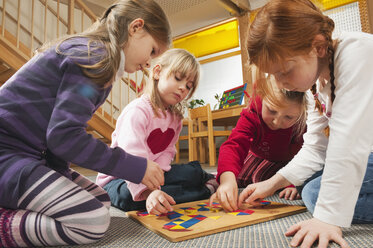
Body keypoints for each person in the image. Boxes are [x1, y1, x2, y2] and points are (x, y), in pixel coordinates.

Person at [0, 0, 171, 246]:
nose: (148, 63)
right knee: (92, 221)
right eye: (153, 51)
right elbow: (64, 137)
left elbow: (53, 136)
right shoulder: (94, 57)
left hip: (25, 155)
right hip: (8, 158)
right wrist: (135, 167)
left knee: (101, 200)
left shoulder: (92, 54)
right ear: (136, 28)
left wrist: (57, 175)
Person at [240, 0, 373, 247]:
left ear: (318, 47)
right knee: (312, 192)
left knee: (319, 197)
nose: (279, 84)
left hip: (363, 151)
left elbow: (348, 144)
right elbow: (316, 148)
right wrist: (270, 184)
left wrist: (328, 218)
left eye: (285, 71)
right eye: (273, 75)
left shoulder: (357, 53)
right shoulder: (315, 84)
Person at [96, 48, 216, 215]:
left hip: (152, 174)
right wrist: (149, 192)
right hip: (119, 177)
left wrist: (156, 181)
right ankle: (205, 192)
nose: (183, 88)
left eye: (188, 86)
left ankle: (206, 178)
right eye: (178, 78)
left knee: (190, 173)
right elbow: (131, 156)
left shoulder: (175, 118)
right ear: (157, 72)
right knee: (128, 198)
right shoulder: (137, 111)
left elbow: (167, 151)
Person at [211, 78, 306, 212]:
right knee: (234, 175)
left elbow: (306, 158)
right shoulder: (252, 112)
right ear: (261, 95)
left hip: (288, 162)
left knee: (259, 178)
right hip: (258, 155)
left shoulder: (304, 123)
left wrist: (293, 183)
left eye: (288, 117)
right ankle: (213, 181)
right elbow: (233, 145)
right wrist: (227, 180)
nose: (276, 122)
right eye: (272, 111)